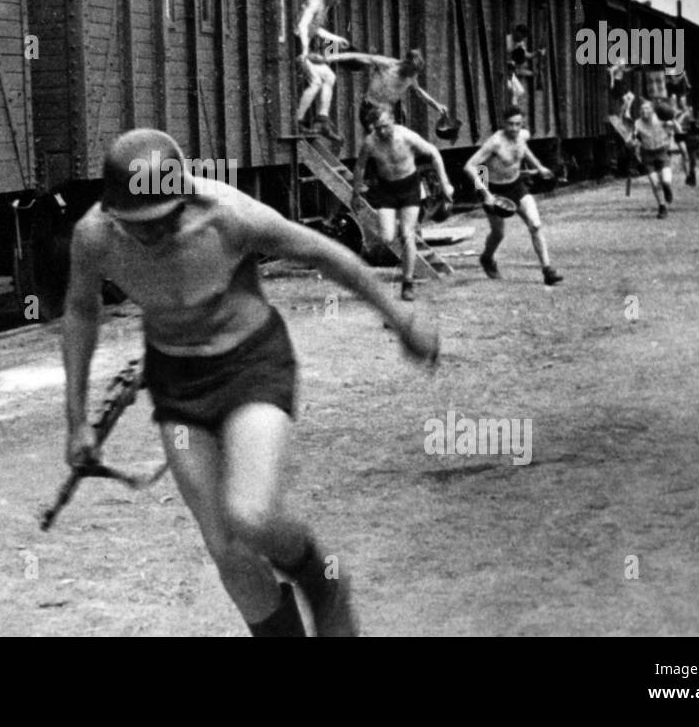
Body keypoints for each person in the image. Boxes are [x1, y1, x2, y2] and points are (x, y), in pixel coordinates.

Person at [62, 128, 440, 636]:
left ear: (185, 197)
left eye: (166, 219)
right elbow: (81, 310)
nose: (157, 234)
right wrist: (76, 421)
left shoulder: (226, 215)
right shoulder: (94, 238)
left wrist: (399, 316)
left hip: (252, 367)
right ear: (113, 211)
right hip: (177, 385)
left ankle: (322, 582)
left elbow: (324, 254)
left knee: (251, 513)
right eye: (141, 226)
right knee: (227, 550)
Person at [352, 102, 454, 302]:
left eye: (385, 126)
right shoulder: (370, 142)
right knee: (387, 237)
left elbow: (434, 153)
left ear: (392, 121)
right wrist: (356, 192)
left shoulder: (406, 136)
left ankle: (407, 283)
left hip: (409, 188)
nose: (382, 131)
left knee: (407, 235)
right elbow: (360, 166)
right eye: (377, 127)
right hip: (387, 191)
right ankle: (400, 231)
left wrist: (445, 183)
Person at [464, 105, 562, 283]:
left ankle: (547, 270)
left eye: (518, 124)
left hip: (516, 186)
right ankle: (487, 258)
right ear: (503, 123)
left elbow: (524, 150)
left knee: (536, 225)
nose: (514, 128)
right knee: (498, 233)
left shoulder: (522, 135)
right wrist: (486, 194)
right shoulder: (495, 142)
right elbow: (472, 166)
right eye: (510, 124)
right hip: (494, 190)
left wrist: (539, 167)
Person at [338, 48, 448, 130]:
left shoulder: (411, 76)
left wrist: (436, 105)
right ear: (405, 63)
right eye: (412, 70)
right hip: (370, 109)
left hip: (388, 112)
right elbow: (363, 57)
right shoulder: (387, 64)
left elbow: (419, 91)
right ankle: (330, 47)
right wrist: (333, 55)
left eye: (415, 72)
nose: (413, 75)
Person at [294, 0, 348, 142]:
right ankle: (298, 120)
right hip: (297, 46)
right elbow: (303, 26)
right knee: (316, 81)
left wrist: (336, 39)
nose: (338, 2)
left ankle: (322, 120)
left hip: (306, 49)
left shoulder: (325, 7)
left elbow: (316, 30)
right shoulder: (315, 4)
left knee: (330, 76)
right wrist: (304, 50)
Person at [631, 100, 674, 218]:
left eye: (647, 108)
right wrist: (633, 142)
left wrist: (672, 124)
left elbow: (674, 126)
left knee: (666, 180)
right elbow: (634, 137)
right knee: (654, 182)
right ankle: (662, 207)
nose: (643, 111)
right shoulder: (638, 123)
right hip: (647, 154)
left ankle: (667, 188)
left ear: (653, 110)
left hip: (662, 152)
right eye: (642, 109)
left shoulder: (661, 119)